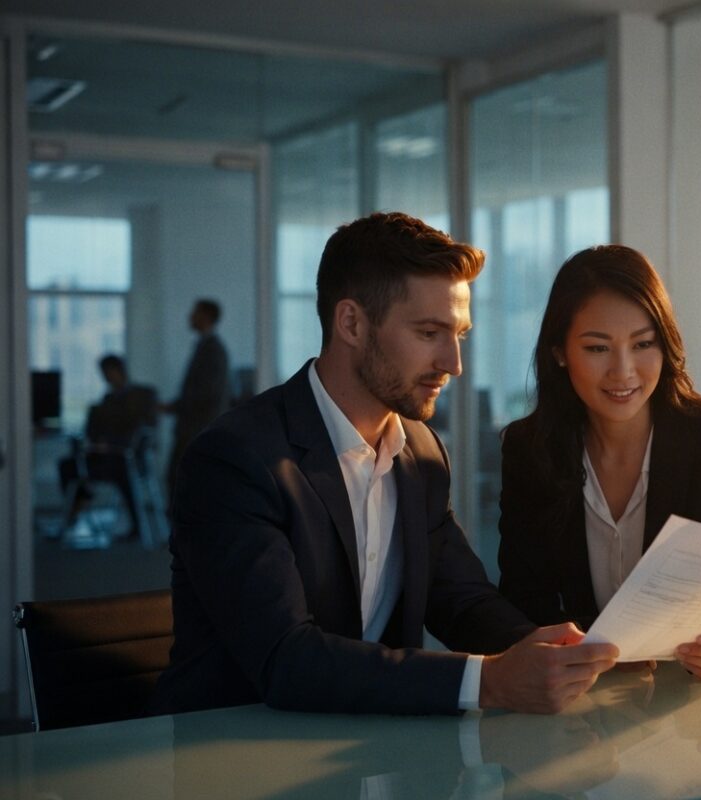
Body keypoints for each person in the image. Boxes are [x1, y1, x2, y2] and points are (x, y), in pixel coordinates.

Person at [154, 212, 618, 717]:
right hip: (235, 756)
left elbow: (461, 600)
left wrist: (563, 655)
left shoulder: (420, 452)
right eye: (428, 333)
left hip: (371, 748)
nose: (453, 363)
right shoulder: (237, 459)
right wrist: (488, 683)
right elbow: (288, 661)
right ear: (351, 323)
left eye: (458, 334)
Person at [499, 245, 701, 683]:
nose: (623, 371)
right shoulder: (530, 448)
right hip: (582, 705)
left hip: (690, 707)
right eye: (597, 348)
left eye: (643, 344)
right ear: (559, 352)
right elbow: (522, 599)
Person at [57, 354, 158, 540]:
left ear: (119, 371)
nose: (106, 378)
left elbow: (143, 428)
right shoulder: (107, 399)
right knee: (68, 464)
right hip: (104, 455)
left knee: (122, 468)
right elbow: (94, 431)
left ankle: (136, 526)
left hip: (129, 457)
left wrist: (112, 442)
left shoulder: (143, 396)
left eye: (108, 373)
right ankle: (79, 504)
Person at [163, 297, 230, 503]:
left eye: (195, 312)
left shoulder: (212, 350)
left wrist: (176, 407)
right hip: (195, 427)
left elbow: (205, 394)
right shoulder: (206, 347)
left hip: (198, 429)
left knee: (182, 481)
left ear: (207, 317)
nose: (190, 316)